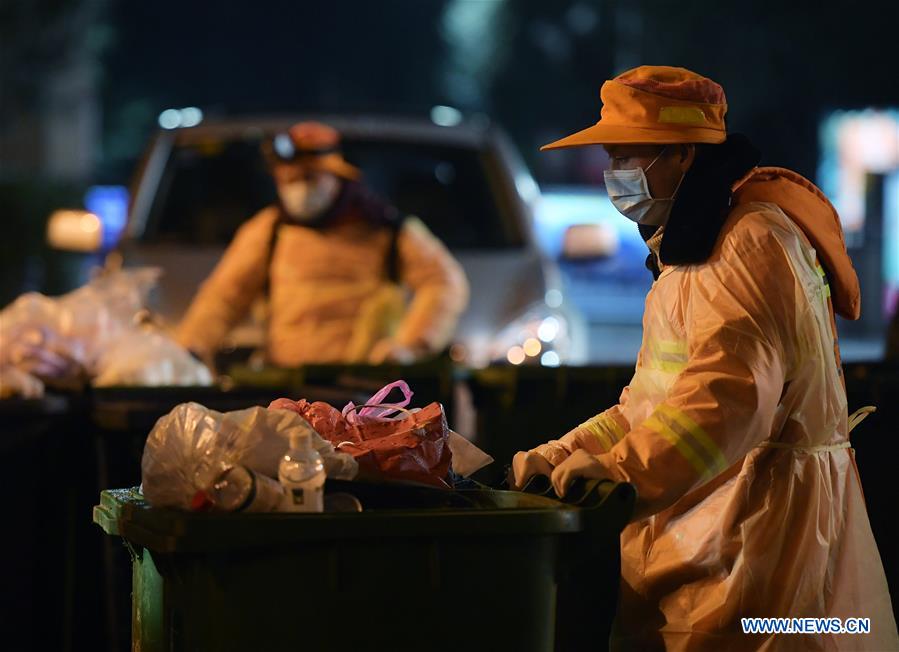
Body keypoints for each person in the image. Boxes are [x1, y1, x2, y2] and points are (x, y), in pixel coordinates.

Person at [511, 66, 898, 650]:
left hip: (765, 554)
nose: (615, 172)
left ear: (684, 154)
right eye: (612, 156)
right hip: (717, 545)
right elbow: (650, 403)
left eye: (628, 154)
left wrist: (621, 473)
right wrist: (566, 453)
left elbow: (729, 395)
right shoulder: (695, 244)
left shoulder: (747, 242)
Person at [176, 121, 469, 367]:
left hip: (365, 388)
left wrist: (411, 345)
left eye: (309, 177)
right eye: (288, 180)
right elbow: (224, 297)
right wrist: (190, 349)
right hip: (290, 384)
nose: (298, 188)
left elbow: (444, 282)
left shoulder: (384, 227)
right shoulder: (267, 230)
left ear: (336, 175)